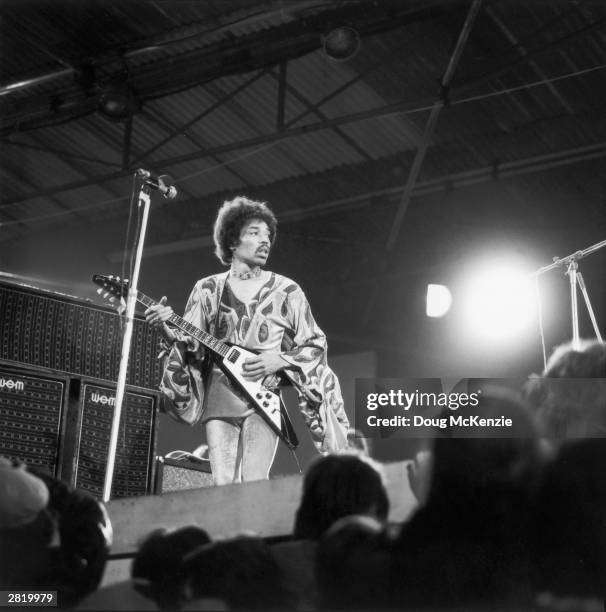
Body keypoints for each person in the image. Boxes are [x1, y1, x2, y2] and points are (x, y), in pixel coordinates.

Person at [145, 196, 349, 485]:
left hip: (264, 398)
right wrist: (166, 328)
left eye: (267, 235)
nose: (264, 241)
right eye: (254, 232)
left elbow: (315, 344)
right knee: (223, 483)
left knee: (255, 481)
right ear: (232, 241)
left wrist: (278, 359)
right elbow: (189, 344)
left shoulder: (288, 291)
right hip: (220, 396)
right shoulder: (207, 289)